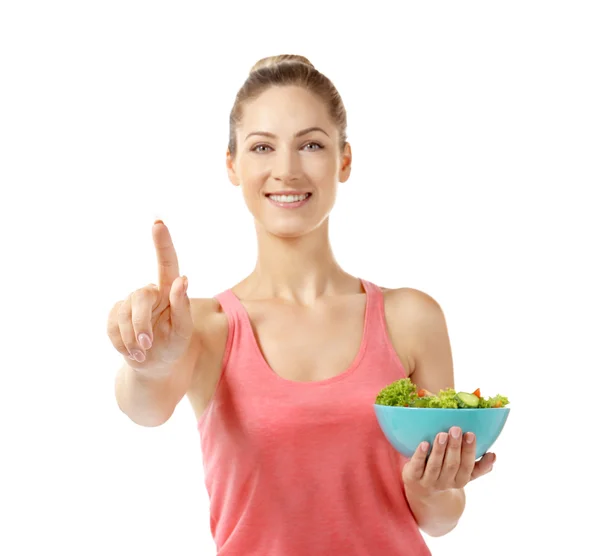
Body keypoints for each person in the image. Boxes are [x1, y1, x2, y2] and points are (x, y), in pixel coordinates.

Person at [108, 54, 497, 556]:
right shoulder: (203, 326)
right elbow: (143, 409)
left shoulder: (412, 319)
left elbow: (441, 518)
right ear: (233, 164)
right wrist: (147, 363)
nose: (287, 170)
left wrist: (433, 487)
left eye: (311, 144)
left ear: (344, 160)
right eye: (262, 147)